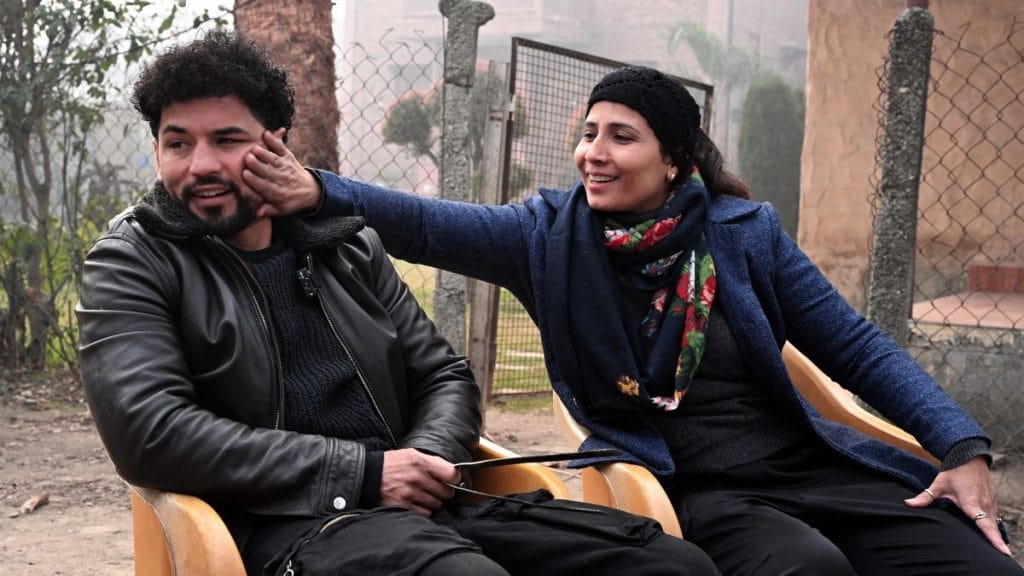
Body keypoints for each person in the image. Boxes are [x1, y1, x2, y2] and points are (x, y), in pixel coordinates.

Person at [245, 64, 1024, 575]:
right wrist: (316, 189)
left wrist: (960, 444)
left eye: (621, 136)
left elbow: (852, 345)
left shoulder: (743, 234)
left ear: (676, 160)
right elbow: (423, 224)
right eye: (588, 134)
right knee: (806, 568)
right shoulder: (544, 237)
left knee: (981, 563)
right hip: (696, 486)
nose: (594, 153)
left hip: (805, 465)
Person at [76, 32, 720, 576]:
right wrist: (361, 473)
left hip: (429, 505)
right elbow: (151, 433)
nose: (201, 164)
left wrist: (429, 457)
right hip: (287, 526)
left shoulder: (346, 245)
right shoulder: (133, 259)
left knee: (672, 565)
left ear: (275, 142)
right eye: (177, 143)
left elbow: (441, 374)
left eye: (226, 139)